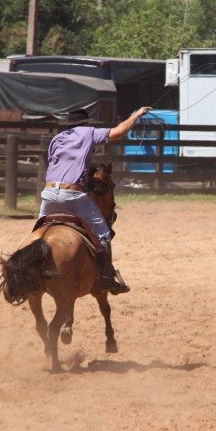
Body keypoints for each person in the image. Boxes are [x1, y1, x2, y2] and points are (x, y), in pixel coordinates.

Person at [39, 106, 151, 294]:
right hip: (71, 194)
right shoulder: (88, 132)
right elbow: (120, 131)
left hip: (48, 194)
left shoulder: (57, 138)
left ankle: (34, 268)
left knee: (40, 230)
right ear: (86, 123)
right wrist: (137, 114)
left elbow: (58, 163)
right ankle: (107, 276)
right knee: (103, 232)